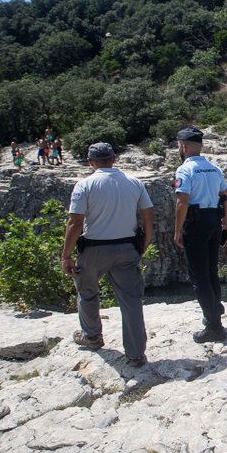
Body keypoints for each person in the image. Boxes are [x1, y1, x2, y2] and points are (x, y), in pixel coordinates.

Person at [61, 142, 154, 368]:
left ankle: (92, 337)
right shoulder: (134, 183)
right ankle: (135, 354)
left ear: (90, 162)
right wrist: (145, 242)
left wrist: (66, 255)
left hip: (94, 249)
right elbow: (148, 216)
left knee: (87, 292)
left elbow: (75, 223)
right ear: (114, 159)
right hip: (126, 248)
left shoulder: (85, 185)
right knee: (131, 301)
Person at [173, 126, 227, 343]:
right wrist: (225, 221)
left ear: (184, 146)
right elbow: (225, 196)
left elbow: (182, 202)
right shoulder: (214, 169)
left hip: (195, 223)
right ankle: (215, 308)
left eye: (179, 145)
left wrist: (178, 230)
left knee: (198, 276)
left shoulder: (185, 170)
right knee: (211, 270)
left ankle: (214, 326)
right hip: (213, 222)